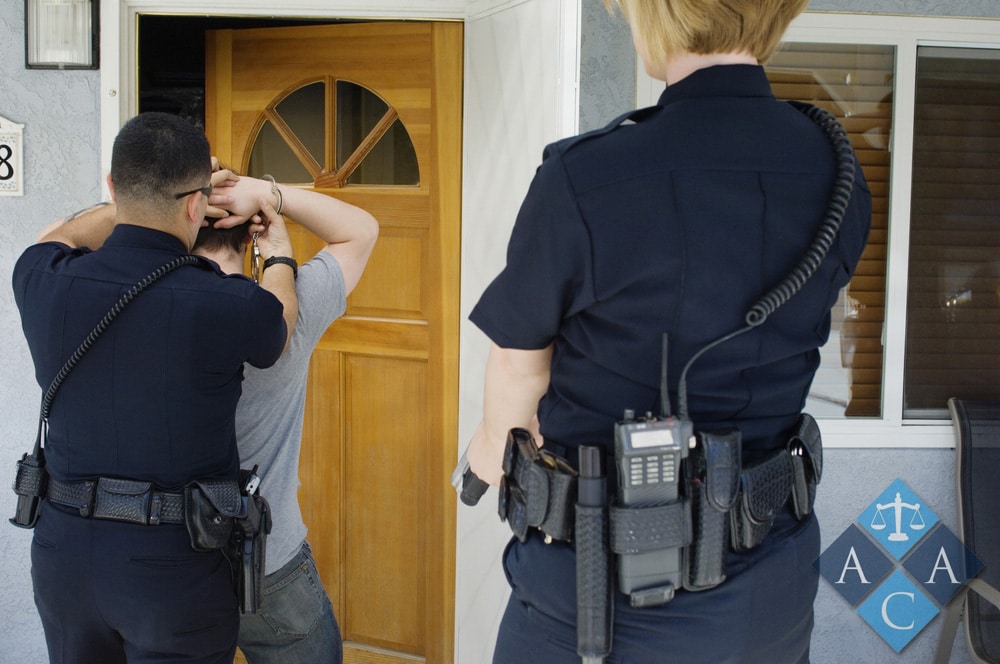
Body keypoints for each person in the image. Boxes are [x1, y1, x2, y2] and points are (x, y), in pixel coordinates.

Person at [464, 1, 873, 662]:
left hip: (596, 599)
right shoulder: (840, 175)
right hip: (768, 591)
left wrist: (487, 453)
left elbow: (519, 367)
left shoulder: (586, 175)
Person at [11, 112, 296, 664]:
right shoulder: (223, 301)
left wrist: (127, 206)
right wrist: (279, 252)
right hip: (174, 569)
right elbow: (278, 325)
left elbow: (58, 236)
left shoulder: (43, 278)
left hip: (64, 556)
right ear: (197, 206)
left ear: (115, 189)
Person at [195, 169, 378, 663]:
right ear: (248, 231)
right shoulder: (282, 315)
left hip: (175, 562)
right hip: (267, 560)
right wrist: (268, 198)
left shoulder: (149, 310)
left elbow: (55, 242)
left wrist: (176, 200)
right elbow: (361, 230)